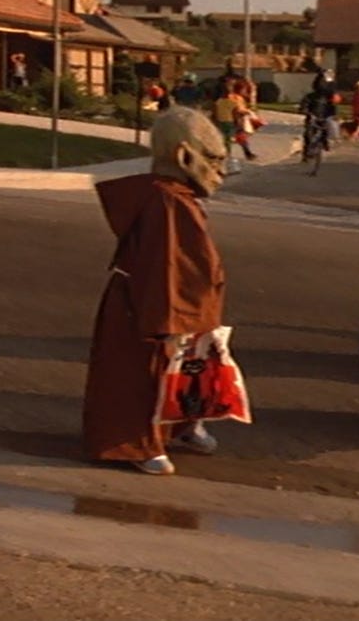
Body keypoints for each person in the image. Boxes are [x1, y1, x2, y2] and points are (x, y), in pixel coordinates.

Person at [83, 107, 231, 476]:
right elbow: (165, 266)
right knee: (144, 371)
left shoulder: (173, 197)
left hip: (182, 299)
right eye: (214, 159)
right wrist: (170, 319)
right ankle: (137, 442)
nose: (221, 171)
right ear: (184, 156)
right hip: (155, 302)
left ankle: (183, 424)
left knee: (191, 368)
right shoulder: (166, 203)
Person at [298, 70, 338, 157]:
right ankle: (307, 151)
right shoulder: (310, 96)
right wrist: (306, 111)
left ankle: (326, 143)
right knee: (308, 133)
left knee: (330, 128)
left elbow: (333, 108)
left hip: (325, 118)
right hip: (313, 118)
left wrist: (332, 115)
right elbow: (304, 105)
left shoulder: (329, 98)